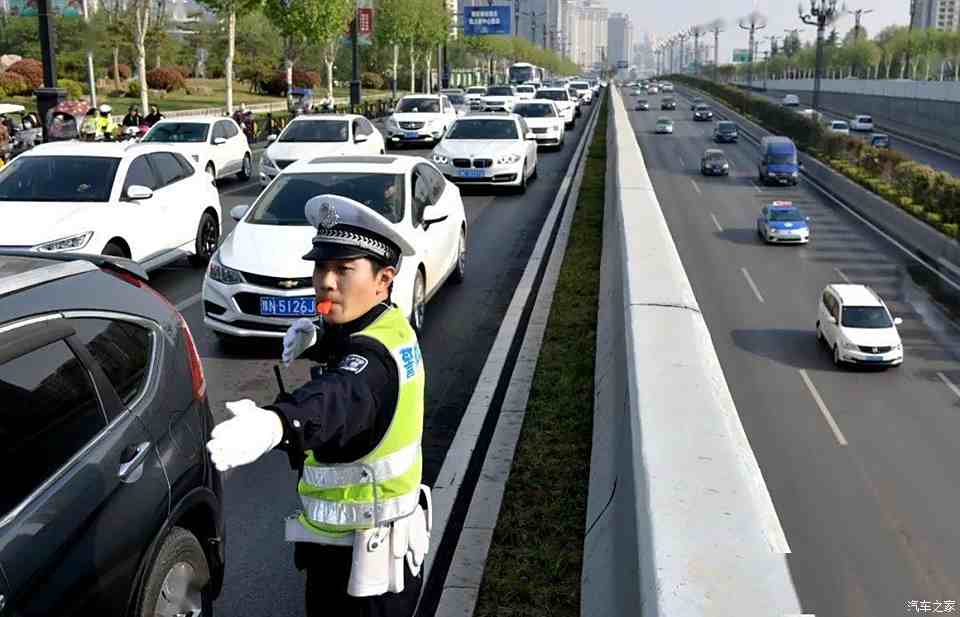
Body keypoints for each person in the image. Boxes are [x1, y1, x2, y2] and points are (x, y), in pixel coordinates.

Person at [206, 195, 429, 617]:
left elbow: (337, 398)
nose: (326, 282)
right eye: (321, 267)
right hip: (376, 549)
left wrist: (276, 424)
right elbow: (353, 351)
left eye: (344, 270)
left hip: (359, 577)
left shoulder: (370, 363)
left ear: (384, 279)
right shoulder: (393, 324)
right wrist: (320, 340)